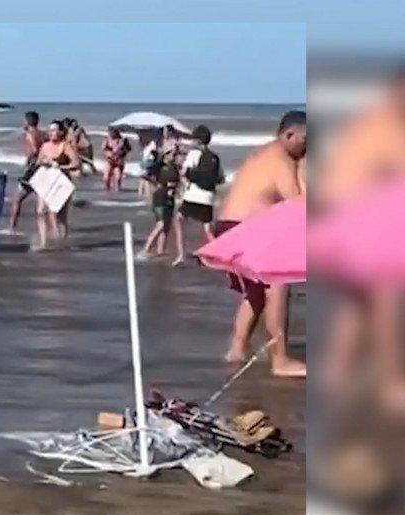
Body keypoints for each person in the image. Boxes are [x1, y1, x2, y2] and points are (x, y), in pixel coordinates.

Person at [316, 70, 405, 410]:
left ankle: (336, 374)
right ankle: (390, 384)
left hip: (345, 228)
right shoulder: (386, 130)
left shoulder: (368, 126)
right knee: (385, 303)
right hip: (366, 230)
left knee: (355, 306)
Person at [213, 110, 307, 377]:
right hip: (248, 226)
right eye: (306, 140)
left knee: (255, 292)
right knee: (278, 284)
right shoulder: (281, 160)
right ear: (288, 135)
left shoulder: (263, 153)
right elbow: (298, 204)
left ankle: (236, 348)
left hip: (230, 225)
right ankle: (280, 360)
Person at [174, 125, 224, 265]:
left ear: (197, 140)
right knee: (207, 229)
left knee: (178, 219)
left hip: (193, 195)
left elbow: (184, 173)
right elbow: (221, 179)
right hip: (208, 197)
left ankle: (181, 254)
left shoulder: (193, 154)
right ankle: (220, 255)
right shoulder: (215, 157)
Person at [34, 120, 80, 244]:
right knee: (40, 212)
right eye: (50, 130)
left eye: (54, 130)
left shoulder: (65, 146)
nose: (51, 133)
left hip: (61, 182)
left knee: (58, 215)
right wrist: (45, 162)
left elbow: (76, 164)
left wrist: (60, 167)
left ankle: (60, 241)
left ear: (61, 132)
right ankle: (43, 241)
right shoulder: (45, 146)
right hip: (46, 180)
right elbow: (38, 162)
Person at [3, 111, 45, 233]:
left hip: (32, 169)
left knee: (17, 199)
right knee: (41, 200)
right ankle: (46, 230)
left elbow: (34, 149)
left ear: (27, 121)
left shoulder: (30, 134)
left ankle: (11, 228)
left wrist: (29, 161)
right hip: (41, 169)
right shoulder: (42, 134)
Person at [137, 151, 182, 260]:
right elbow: (144, 175)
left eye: (175, 155)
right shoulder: (159, 166)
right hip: (160, 198)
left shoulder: (175, 168)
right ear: (165, 156)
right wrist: (156, 184)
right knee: (161, 224)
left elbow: (179, 182)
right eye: (171, 155)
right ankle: (146, 249)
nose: (174, 157)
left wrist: (178, 191)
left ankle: (160, 250)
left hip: (170, 199)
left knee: (166, 226)